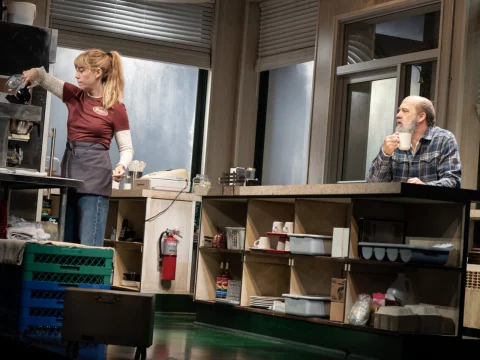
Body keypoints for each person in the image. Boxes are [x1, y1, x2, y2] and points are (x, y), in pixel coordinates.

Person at [22, 49, 134, 246]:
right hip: (70, 178)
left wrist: (122, 166)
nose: (77, 75)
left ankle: (88, 279)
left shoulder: (116, 108)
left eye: (82, 70)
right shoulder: (75, 96)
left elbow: (126, 148)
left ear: (97, 73)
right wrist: (34, 73)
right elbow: (45, 78)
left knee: (88, 245)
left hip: (95, 182)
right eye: (77, 70)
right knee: (67, 244)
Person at [366, 95, 461, 188]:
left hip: (431, 203)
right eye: (399, 110)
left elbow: (453, 181)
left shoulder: (444, 139)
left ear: (421, 117)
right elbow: (372, 186)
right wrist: (385, 154)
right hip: (398, 203)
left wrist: (425, 187)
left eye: (405, 111)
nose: (398, 115)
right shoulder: (393, 141)